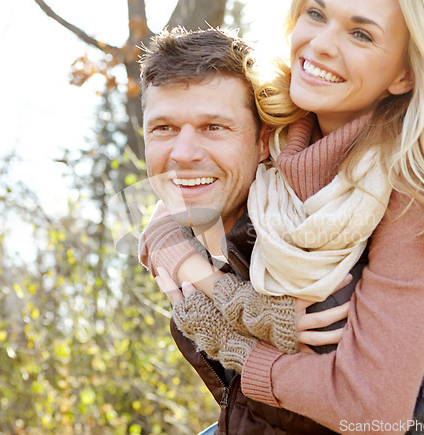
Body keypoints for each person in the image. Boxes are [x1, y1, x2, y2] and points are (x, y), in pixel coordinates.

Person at [144, 0, 424, 433]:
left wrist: (242, 349)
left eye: (361, 34)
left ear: (404, 73)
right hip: (315, 398)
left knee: (328, 290)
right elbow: (176, 188)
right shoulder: (279, 115)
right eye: (316, 14)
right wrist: (212, 283)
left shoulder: (416, 185)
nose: (320, 45)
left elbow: (372, 409)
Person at [139, 27, 353, 434]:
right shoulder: (200, 236)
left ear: (262, 141)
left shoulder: (299, 243)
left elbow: (340, 416)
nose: (182, 155)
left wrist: (229, 335)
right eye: (163, 128)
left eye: (213, 127)